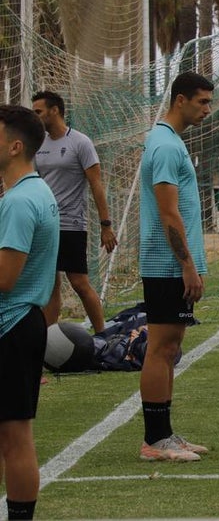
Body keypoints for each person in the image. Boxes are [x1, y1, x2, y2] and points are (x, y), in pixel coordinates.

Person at [137, 72, 214, 462]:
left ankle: (164, 432)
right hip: (165, 265)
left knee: (170, 348)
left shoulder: (172, 142)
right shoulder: (165, 146)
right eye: (201, 101)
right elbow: (168, 214)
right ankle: (154, 440)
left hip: (173, 265)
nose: (207, 109)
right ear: (180, 100)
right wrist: (187, 265)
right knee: (161, 347)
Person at [0, 105, 60, 520]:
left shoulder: (20, 201)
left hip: (12, 325)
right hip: (24, 321)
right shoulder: (35, 192)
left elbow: (5, 278)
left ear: (15, 145)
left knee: (15, 435)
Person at [31, 91, 118, 333]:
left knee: (79, 282)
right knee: (50, 286)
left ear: (55, 110)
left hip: (71, 224)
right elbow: (35, 182)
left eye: (38, 111)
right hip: (45, 225)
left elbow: (96, 185)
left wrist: (106, 224)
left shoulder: (80, 142)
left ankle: (102, 334)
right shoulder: (38, 144)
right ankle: (48, 341)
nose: (35, 116)